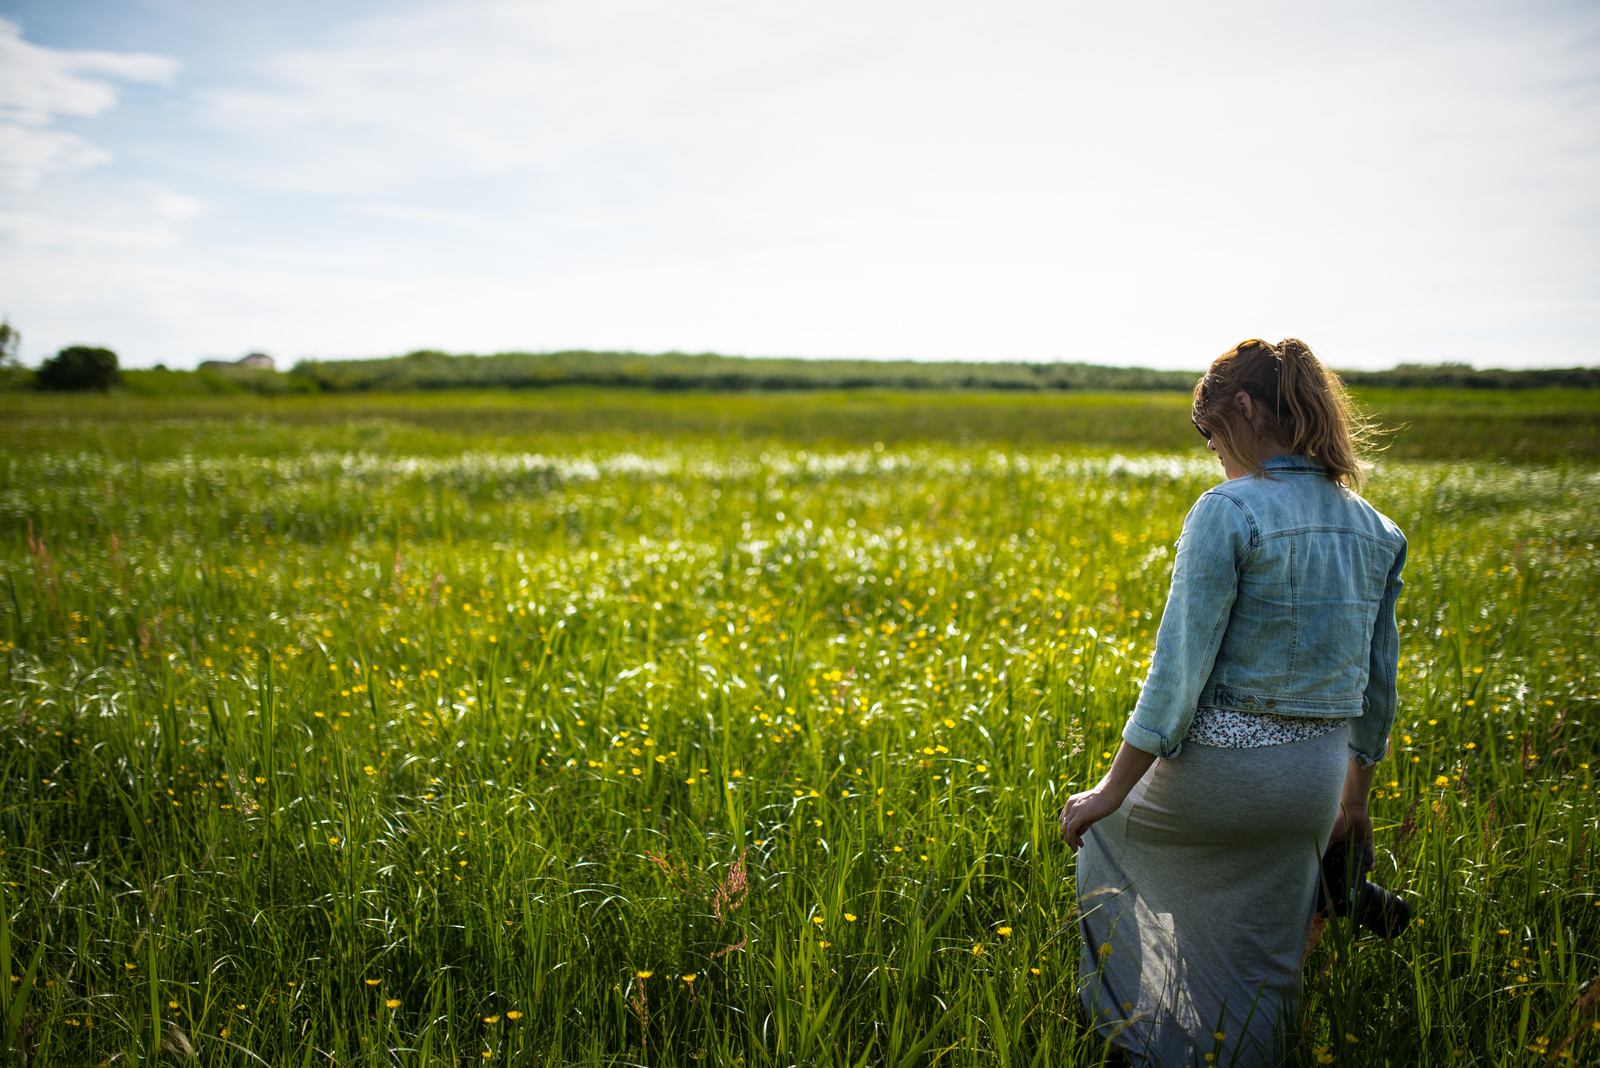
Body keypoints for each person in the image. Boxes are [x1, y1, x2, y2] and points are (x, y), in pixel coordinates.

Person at [1059, 338, 1406, 1067]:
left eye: (1213, 436)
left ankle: (1143, 1040)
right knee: (1265, 955)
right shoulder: (1377, 529)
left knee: (1106, 840)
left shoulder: (1228, 510)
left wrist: (1108, 792)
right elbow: (1377, 691)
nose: (1216, 456)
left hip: (1223, 778)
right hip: (1314, 787)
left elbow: (1176, 676)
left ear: (1243, 411)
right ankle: (1321, 902)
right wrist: (1353, 802)